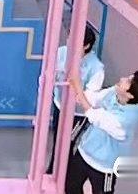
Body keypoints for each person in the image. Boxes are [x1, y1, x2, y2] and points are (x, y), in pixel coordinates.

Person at [64, 70, 138, 194]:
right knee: (70, 187)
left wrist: (78, 88)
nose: (122, 78)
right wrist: (79, 93)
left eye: (127, 81)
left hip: (105, 168)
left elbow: (96, 117)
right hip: (84, 151)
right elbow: (95, 99)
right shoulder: (114, 92)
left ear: (130, 95)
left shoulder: (126, 121)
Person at [47, 27, 104, 174]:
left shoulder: (96, 68)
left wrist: (76, 89)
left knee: (68, 143)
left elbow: (90, 96)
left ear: (86, 46)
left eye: (74, 41)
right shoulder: (62, 52)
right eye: (69, 38)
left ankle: (64, 175)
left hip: (78, 114)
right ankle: (52, 170)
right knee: (58, 140)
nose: (69, 42)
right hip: (60, 105)